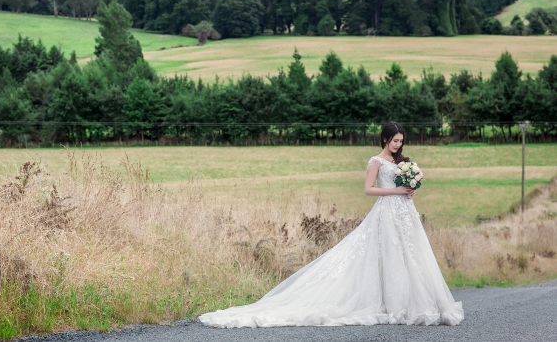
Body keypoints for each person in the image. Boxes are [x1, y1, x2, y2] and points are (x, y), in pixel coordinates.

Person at [199, 121, 464, 328]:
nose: (398, 144)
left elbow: (406, 185)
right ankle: (391, 304)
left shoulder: (403, 162)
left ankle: (413, 302)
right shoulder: (376, 161)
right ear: (385, 139)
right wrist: (397, 191)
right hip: (387, 212)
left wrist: (411, 190)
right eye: (395, 140)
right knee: (387, 254)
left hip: (406, 213)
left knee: (411, 255)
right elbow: (368, 190)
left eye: (401, 141)